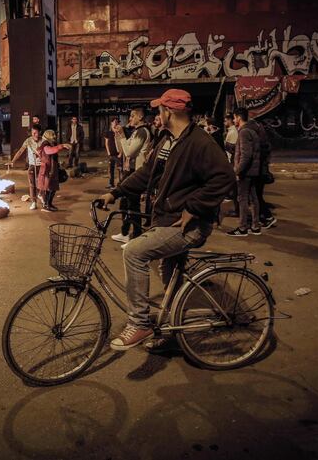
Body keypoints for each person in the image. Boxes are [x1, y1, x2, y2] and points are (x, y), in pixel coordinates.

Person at [99, 88, 236, 350]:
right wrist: (115, 192)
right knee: (169, 271)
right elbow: (147, 173)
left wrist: (193, 207)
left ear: (169, 111)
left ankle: (139, 323)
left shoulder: (200, 142)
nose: (156, 114)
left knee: (135, 252)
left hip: (189, 224)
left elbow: (225, 178)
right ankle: (172, 331)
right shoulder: (167, 140)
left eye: (159, 109)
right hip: (167, 218)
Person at [111, 108, 152, 245]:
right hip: (130, 170)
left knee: (133, 205)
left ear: (140, 117)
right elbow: (121, 150)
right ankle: (124, 232)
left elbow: (129, 153)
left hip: (137, 172)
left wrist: (122, 135)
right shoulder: (136, 132)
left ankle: (136, 236)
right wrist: (118, 135)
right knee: (124, 202)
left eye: (132, 116)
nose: (130, 119)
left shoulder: (142, 131)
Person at [227, 108, 261, 237]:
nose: (234, 120)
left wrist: (237, 170)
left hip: (246, 172)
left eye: (234, 118)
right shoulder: (253, 130)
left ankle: (242, 228)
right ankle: (255, 226)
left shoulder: (244, 132)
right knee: (253, 198)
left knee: (242, 199)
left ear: (239, 118)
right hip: (253, 171)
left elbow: (246, 155)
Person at [9, 124, 44, 210]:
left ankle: (42, 196)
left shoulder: (43, 141)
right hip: (32, 165)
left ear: (39, 132)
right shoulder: (28, 141)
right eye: (33, 133)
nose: (34, 134)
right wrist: (13, 161)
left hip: (42, 165)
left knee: (42, 184)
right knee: (32, 184)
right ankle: (34, 202)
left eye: (36, 132)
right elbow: (20, 151)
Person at [37, 130, 72, 211]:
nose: (54, 136)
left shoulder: (51, 143)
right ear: (48, 136)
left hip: (52, 169)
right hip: (47, 170)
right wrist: (62, 146)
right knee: (49, 188)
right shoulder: (45, 144)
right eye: (52, 135)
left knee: (53, 188)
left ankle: (49, 204)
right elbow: (49, 151)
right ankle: (46, 205)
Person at [252, 119, 277, 228]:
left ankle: (268, 217)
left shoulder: (260, 147)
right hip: (261, 172)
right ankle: (263, 217)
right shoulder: (264, 144)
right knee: (258, 196)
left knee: (257, 197)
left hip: (259, 173)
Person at [105, 118, 121, 189]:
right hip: (111, 154)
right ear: (111, 123)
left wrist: (121, 153)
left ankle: (120, 184)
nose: (116, 123)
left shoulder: (119, 132)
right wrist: (108, 152)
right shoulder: (108, 132)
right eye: (114, 122)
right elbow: (106, 143)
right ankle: (111, 184)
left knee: (120, 169)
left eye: (117, 122)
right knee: (111, 169)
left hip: (118, 154)